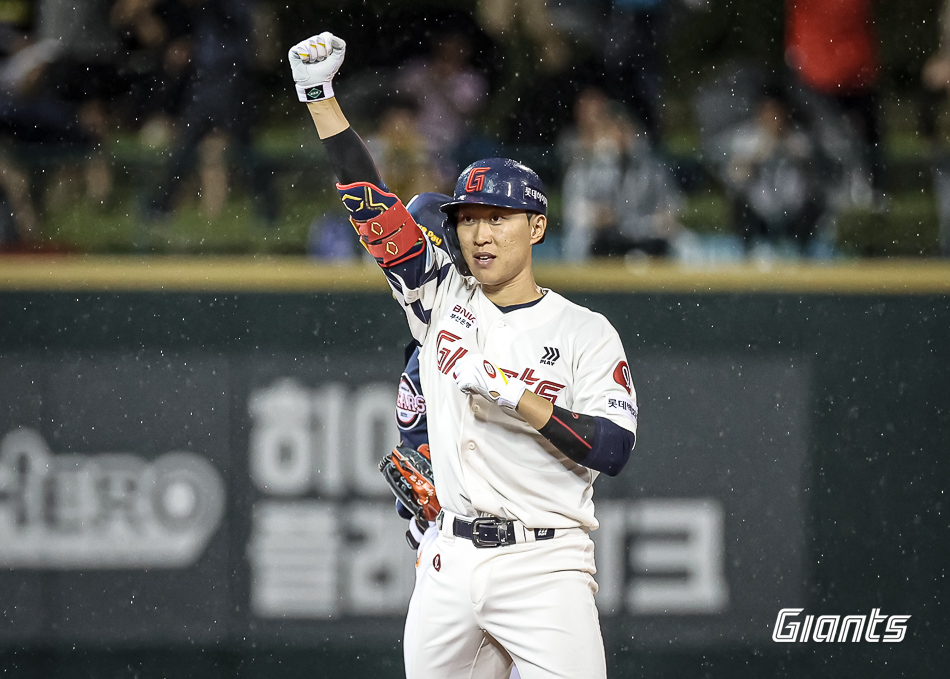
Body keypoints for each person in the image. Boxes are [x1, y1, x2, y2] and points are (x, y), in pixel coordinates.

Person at [288, 32, 638, 678]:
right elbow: (371, 203)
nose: (480, 230)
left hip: (545, 561)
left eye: (498, 217)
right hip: (450, 558)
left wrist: (516, 393)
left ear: (535, 227)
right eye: (469, 217)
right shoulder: (438, 296)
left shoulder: (586, 330)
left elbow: (613, 449)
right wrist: (319, 99)